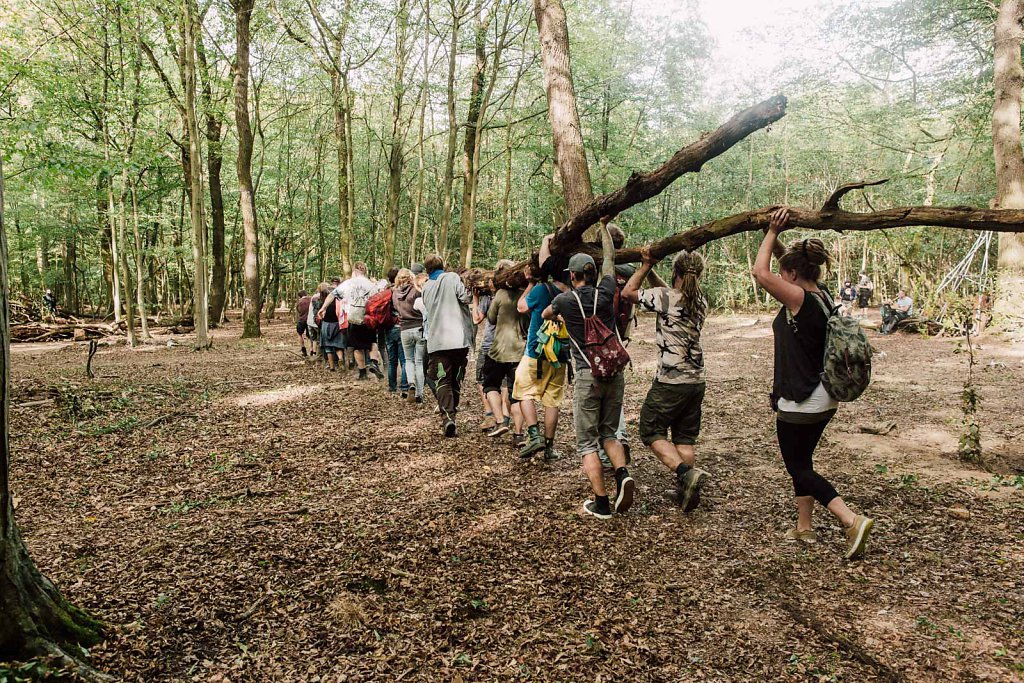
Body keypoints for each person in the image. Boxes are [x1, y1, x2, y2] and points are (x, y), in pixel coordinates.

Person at [753, 207, 873, 559]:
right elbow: (786, 265)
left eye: (783, 272)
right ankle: (803, 526)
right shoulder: (822, 295)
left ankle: (850, 520)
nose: (778, 275)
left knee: (798, 467)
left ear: (791, 274)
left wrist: (771, 232)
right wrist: (776, 235)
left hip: (803, 398)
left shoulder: (798, 300)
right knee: (802, 459)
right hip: (823, 397)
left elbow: (760, 273)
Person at [544, 222, 634, 520]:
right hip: (614, 373)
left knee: (586, 442)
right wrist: (605, 230)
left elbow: (547, 314)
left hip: (587, 374)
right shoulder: (607, 292)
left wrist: (555, 312)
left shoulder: (564, 301)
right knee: (609, 432)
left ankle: (602, 502)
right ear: (593, 274)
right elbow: (609, 259)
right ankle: (622, 474)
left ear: (571, 276)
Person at [621, 247, 711, 512]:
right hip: (696, 381)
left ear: (676, 272)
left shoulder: (667, 297)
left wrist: (645, 265)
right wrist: (654, 269)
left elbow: (628, 293)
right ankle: (687, 491)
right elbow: (664, 293)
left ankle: (686, 473)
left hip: (671, 382)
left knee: (650, 430)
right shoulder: (699, 300)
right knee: (684, 437)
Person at [513, 238, 569, 458]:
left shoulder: (541, 289)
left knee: (523, 391)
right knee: (552, 400)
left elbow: (521, 307)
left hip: (536, 351)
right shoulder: (572, 293)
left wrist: (529, 283)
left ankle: (534, 436)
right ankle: (549, 448)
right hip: (559, 354)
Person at [421, 254, 474, 437]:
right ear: (443, 265)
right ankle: (452, 414)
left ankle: (447, 417)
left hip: (437, 341)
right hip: (458, 339)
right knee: (456, 379)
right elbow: (466, 298)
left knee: (442, 380)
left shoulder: (426, 287)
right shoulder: (451, 278)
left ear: (427, 269)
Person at [481, 260, 527, 442]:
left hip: (498, 350)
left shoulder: (500, 294)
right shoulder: (525, 296)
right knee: (517, 395)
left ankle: (501, 421)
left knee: (490, 385)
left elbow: (491, 319)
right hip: (520, 351)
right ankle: (519, 434)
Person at [318, 263, 383, 380]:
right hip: (369, 317)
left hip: (354, 317)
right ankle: (374, 362)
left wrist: (323, 308)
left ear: (354, 270)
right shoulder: (371, 284)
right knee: (372, 342)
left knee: (357, 347)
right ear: (365, 271)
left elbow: (332, 295)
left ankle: (362, 372)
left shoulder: (348, 283)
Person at [394, 268, 427, 404]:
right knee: (419, 361)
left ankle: (411, 382)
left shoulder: (395, 294)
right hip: (419, 327)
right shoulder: (416, 291)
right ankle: (419, 393)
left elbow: (396, 310)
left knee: (408, 360)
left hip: (404, 329)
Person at [473, 281, 499, 431]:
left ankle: (490, 415)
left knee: (482, 379)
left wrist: (475, 299)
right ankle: (505, 416)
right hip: (511, 345)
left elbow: (476, 319)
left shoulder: (488, 298)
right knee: (504, 383)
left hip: (490, 344)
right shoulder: (519, 294)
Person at [382, 268, 410, 396]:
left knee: (392, 360)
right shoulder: (407, 290)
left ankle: (392, 387)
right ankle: (404, 386)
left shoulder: (388, 291)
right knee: (404, 360)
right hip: (403, 326)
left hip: (389, 327)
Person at [315, 281, 344, 371]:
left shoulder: (321, 302)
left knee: (328, 347)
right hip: (337, 324)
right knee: (338, 345)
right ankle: (341, 359)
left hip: (326, 325)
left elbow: (318, 315)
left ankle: (331, 367)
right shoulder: (338, 301)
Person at [295, 290, 312, 356]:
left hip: (302, 320)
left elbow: (298, 310)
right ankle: (311, 350)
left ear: (299, 296)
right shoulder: (311, 299)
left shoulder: (299, 302)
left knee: (299, 334)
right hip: (310, 320)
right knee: (310, 336)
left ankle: (303, 348)